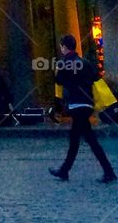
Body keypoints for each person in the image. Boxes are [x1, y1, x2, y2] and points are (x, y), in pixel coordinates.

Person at [49, 34, 116, 183]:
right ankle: (65, 170)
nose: (61, 49)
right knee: (79, 139)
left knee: (87, 140)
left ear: (65, 47)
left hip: (76, 105)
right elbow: (96, 80)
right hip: (87, 105)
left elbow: (58, 81)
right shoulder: (85, 63)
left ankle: (108, 172)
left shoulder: (64, 63)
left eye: (61, 46)